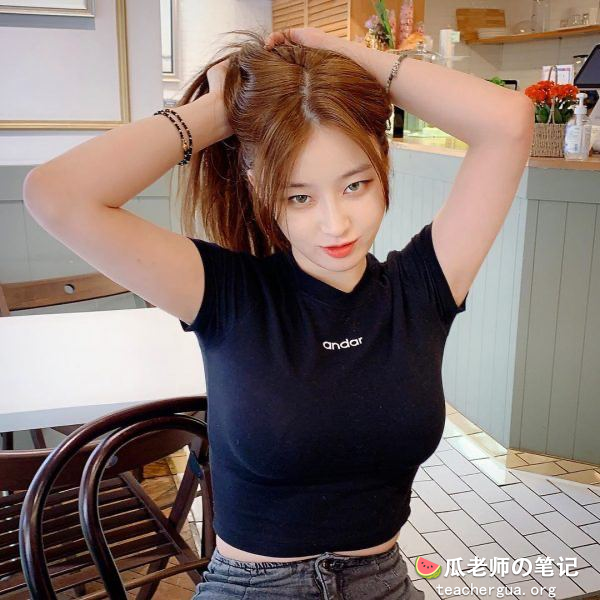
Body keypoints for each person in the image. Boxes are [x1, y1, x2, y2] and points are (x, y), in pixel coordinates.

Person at [23, 25, 534, 600]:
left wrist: (350, 58)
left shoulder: (422, 288)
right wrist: (222, 110)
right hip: (253, 588)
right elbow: (55, 194)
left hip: (385, 582)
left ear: (382, 163)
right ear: (258, 184)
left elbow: (509, 122)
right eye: (299, 196)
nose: (335, 224)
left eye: (356, 185)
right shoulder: (225, 293)